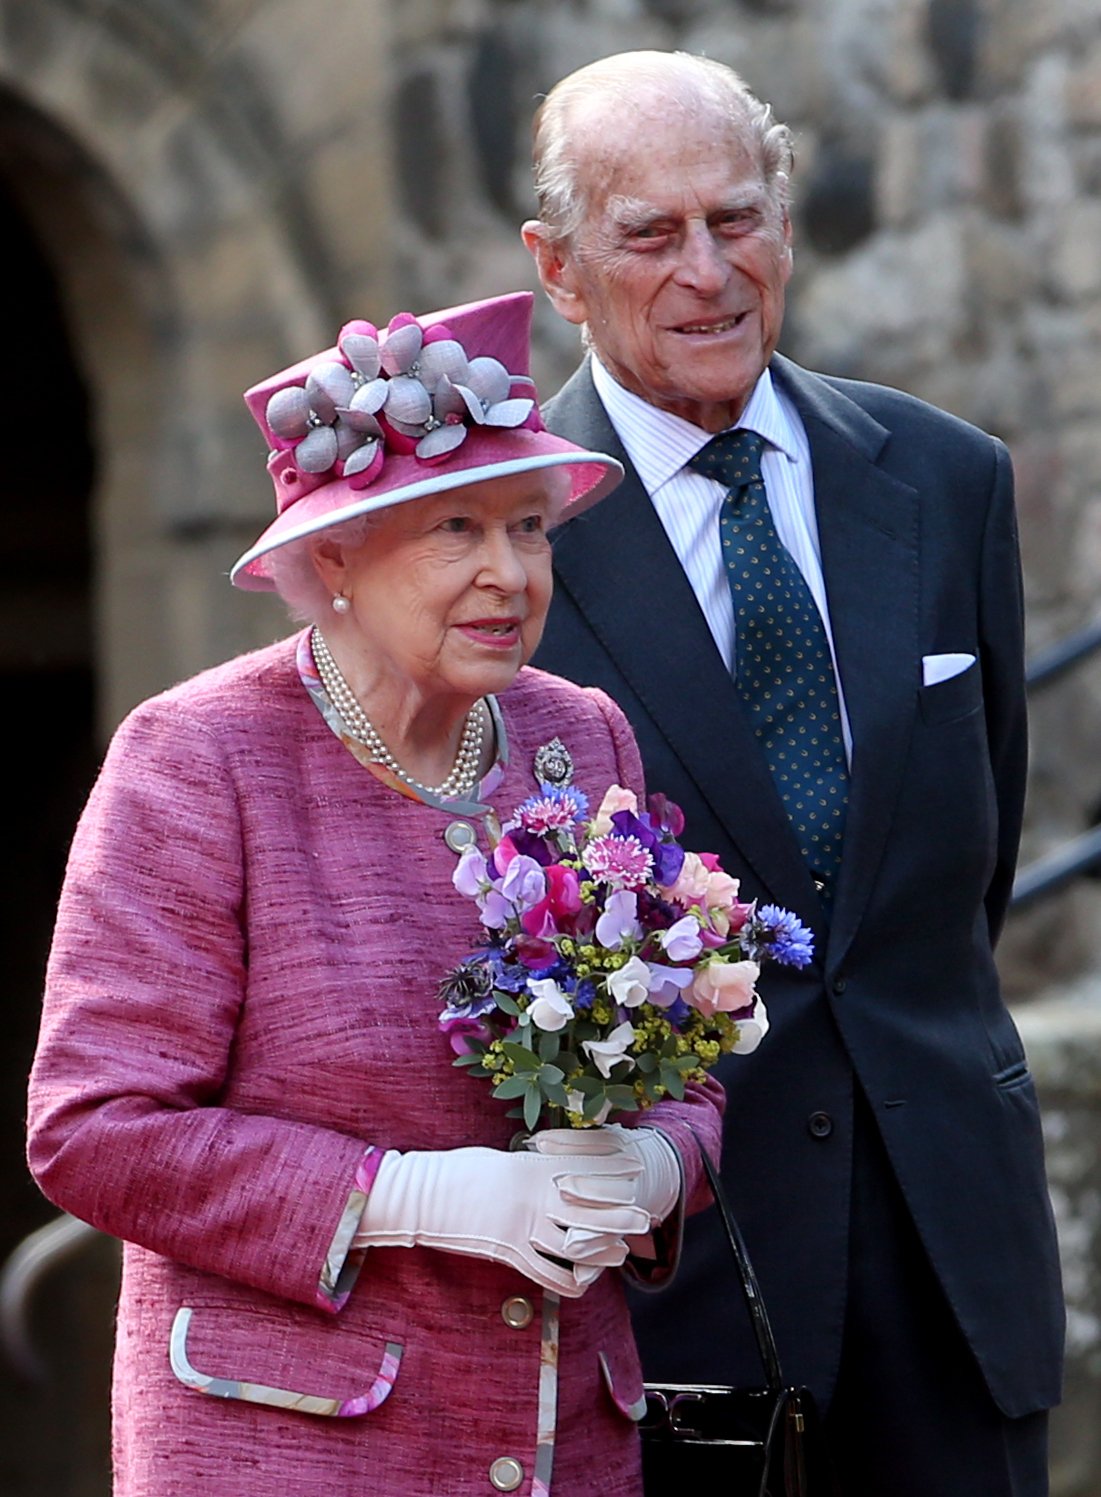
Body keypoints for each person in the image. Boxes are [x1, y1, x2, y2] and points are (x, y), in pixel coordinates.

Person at [26, 290, 725, 1497]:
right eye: (457, 528)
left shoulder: (580, 738)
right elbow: (96, 1129)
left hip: (566, 1438)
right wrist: (412, 1196)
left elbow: (687, 1056)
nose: (510, 574)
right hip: (289, 1447)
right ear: (334, 555)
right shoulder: (199, 759)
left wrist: (657, 1169)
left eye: (530, 527)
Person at [522, 49, 1064, 1495]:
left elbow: (974, 861)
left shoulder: (948, 481)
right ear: (560, 272)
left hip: (959, 1275)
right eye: (650, 236)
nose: (709, 270)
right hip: (677, 1297)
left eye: (739, 217)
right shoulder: (503, 547)